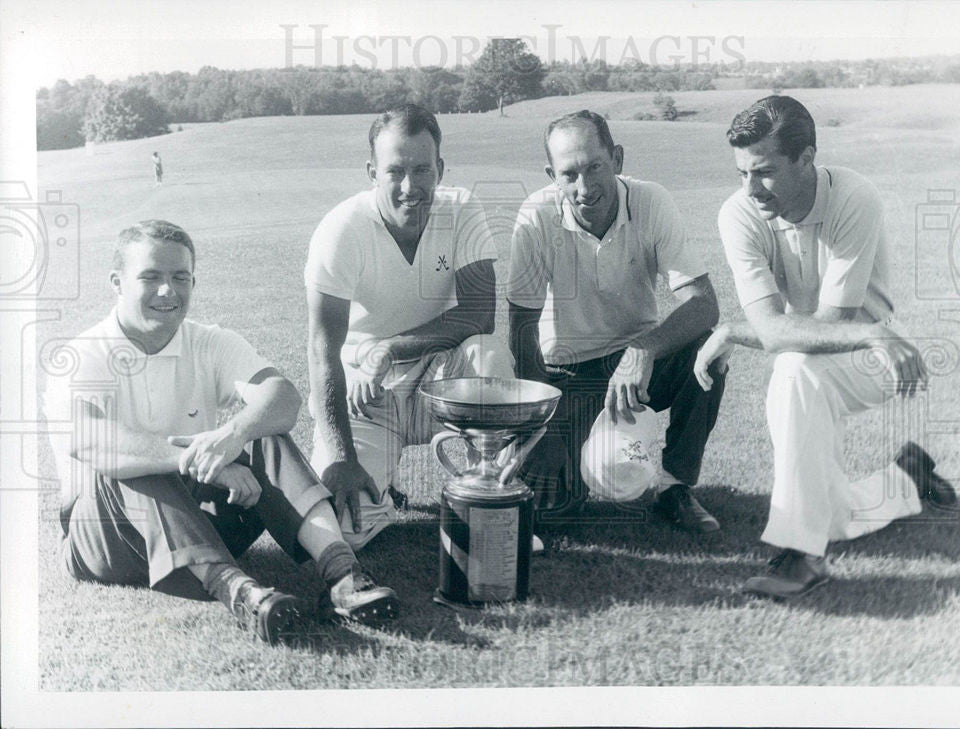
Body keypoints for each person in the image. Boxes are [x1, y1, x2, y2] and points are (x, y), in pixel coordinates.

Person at [44, 220, 398, 647]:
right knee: (132, 465)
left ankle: (344, 576)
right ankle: (240, 593)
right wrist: (200, 458)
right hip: (105, 538)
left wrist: (230, 437)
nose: (167, 291)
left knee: (264, 435)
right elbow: (89, 441)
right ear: (117, 282)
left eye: (180, 277)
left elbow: (282, 397)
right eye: (151, 276)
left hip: (197, 522)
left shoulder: (208, 341)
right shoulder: (83, 353)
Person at [695, 95, 957, 600]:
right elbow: (774, 330)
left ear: (807, 158)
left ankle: (803, 557)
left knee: (794, 369)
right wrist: (750, 330)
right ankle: (906, 480)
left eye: (764, 172)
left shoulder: (853, 196)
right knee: (829, 509)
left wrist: (869, 334)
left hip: (878, 361)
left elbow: (827, 326)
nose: (749, 189)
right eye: (741, 173)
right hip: (861, 342)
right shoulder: (738, 213)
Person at [305, 103, 515, 547]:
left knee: (488, 351)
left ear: (440, 168)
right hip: (367, 389)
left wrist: (393, 348)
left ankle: (495, 493)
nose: (409, 186)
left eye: (422, 170)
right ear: (371, 171)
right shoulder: (341, 228)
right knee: (348, 529)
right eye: (394, 171)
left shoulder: (462, 208)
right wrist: (341, 456)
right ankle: (378, 472)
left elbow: (479, 314)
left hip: (440, 377)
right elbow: (322, 351)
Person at [506, 110, 727, 533]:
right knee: (557, 505)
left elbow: (704, 305)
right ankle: (573, 463)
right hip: (567, 372)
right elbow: (521, 326)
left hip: (639, 369)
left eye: (595, 167)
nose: (585, 187)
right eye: (569, 174)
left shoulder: (651, 200)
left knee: (709, 352)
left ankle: (673, 487)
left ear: (618, 159)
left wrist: (643, 348)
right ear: (552, 174)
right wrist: (543, 427)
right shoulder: (536, 216)